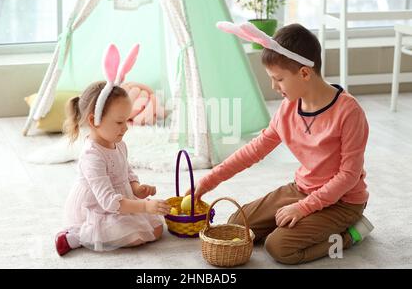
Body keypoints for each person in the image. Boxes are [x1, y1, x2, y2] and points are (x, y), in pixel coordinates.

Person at [188, 22, 374, 265]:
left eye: (279, 79)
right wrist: (208, 181)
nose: (274, 87)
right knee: (237, 225)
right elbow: (253, 151)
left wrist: (303, 209)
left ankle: (350, 235)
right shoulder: (287, 110)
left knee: (279, 248)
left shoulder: (349, 112)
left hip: (343, 202)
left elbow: (349, 176)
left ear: (305, 73)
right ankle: (299, 223)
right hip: (302, 189)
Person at [55, 44, 171, 256]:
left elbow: (126, 171)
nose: (126, 127)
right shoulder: (92, 156)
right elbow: (108, 201)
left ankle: (128, 216)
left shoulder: (118, 143)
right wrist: (144, 207)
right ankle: (76, 235)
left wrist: (137, 188)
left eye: (127, 120)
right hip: (98, 207)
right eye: (119, 122)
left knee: (155, 229)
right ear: (94, 120)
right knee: (134, 237)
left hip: (120, 200)